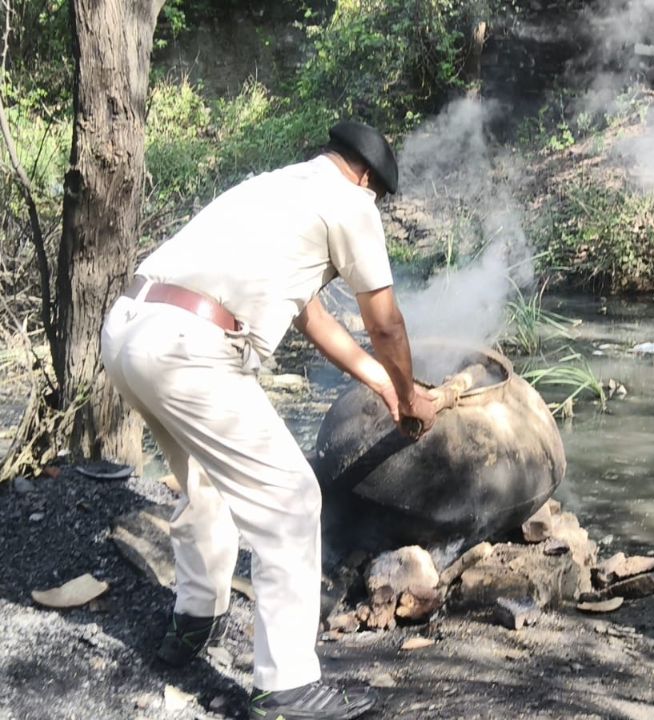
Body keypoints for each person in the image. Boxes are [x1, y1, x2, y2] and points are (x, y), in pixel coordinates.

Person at [100, 121, 438, 720]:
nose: (376, 206)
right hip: (190, 349)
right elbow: (386, 323)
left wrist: (386, 385)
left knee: (204, 482)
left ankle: (194, 618)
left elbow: (314, 320)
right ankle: (286, 687)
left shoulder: (275, 189)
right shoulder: (352, 201)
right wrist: (412, 397)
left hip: (130, 331)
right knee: (291, 501)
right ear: (366, 178)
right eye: (378, 197)